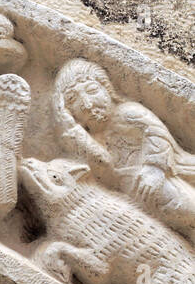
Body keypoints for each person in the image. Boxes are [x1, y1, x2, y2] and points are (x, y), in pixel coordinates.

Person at [53, 58, 195, 239]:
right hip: (137, 198)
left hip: (160, 182)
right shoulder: (93, 139)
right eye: (73, 100)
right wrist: (72, 129)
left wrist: (154, 168)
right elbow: (104, 164)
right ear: (68, 111)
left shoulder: (126, 112)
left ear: (108, 89)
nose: (87, 104)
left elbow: (156, 133)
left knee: (185, 209)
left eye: (92, 90)